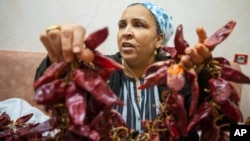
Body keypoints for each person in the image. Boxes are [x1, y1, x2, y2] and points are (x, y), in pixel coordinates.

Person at [35, 2, 215, 140]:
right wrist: (58, 62)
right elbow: (45, 94)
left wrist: (202, 74)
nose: (126, 32)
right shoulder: (99, 72)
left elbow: (230, 129)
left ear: (159, 39)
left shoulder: (178, 74)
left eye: (138, 25)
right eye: (122, 25)